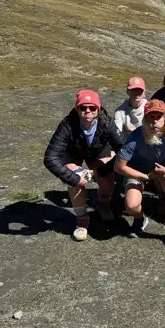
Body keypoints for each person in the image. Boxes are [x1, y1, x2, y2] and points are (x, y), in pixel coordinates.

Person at [114, 99, 165, 250]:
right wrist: (146, 177)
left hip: (164, 166)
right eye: (150, 117)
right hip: (138, 168)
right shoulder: (136, 136)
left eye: (158, 117)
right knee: (132, 205)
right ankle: (140, 219)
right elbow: (119, 166)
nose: (154, 121)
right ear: (145, 119)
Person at [44, 90, 125, 241]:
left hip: (99, 150)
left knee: (107, 182)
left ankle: (103, 205)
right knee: (74, 182)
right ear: (77, 109)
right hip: (74, 152)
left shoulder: (106, 122)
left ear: (98, 109)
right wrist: (74, 178)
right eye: (83, 107)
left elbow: (123, 147)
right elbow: (50, 157)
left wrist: (104, 166)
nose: (88, 111)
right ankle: (82, 220)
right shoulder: (67, 125)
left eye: (92, 107)